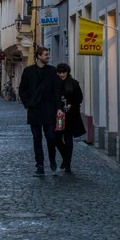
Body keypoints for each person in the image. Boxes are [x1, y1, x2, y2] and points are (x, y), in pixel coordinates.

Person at [19, 46, 62, 176]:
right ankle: (40, 165)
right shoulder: (28, 71)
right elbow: (22, 90)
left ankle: (52, 160)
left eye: (48, 55)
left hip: (49, 110)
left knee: (51, 138)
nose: (48, 57)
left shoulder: (52, 71)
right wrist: (28, 103)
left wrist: (58, 108)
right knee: (37, 139)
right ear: (38, 56)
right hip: (35, 110)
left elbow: (57, 91)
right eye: (46, 55)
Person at [55, 63, 86, 173]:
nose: (62, 74)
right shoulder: (54, 83)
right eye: (60, 72)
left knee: (68, 140)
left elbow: (79, 98)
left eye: (64, 72)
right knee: (56, 139)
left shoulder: (73, 83)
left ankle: (68, 163)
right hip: (57, 116)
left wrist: (71, 105)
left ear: (67, 72)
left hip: (70, 116)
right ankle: (65, 157)